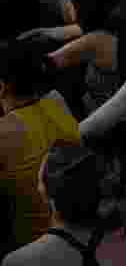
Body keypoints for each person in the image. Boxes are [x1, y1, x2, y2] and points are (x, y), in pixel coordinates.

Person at [0, 42, 80, 252]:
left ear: (3, 86)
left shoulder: (4, 131)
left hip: (30, 246)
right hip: (77, 237)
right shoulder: (57, 103)